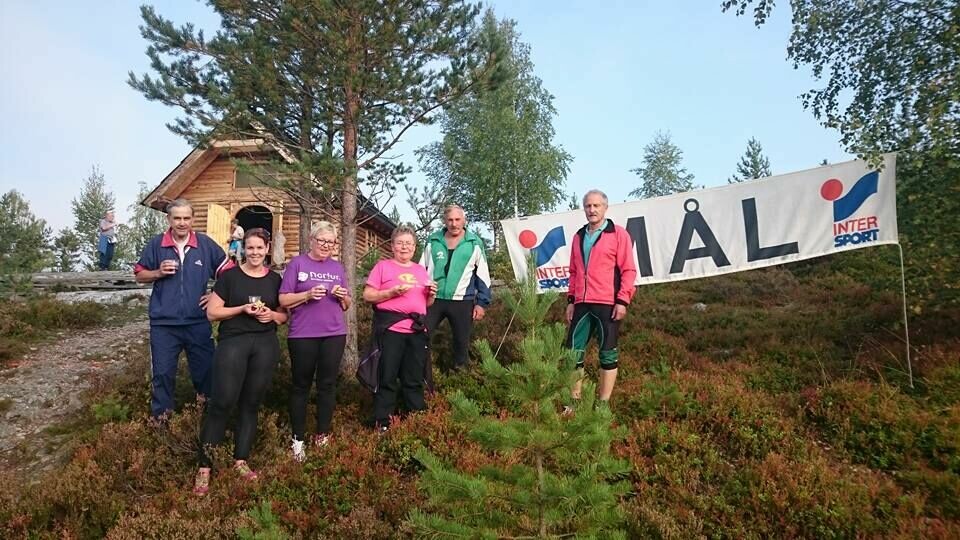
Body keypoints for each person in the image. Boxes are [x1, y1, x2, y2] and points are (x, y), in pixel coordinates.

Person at [194, 227, 287, 495]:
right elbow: (212, 312)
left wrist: (271, 315)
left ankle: (240, 460)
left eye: (260, 248)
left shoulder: (275, 279)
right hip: (233, 343)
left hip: (265, 344)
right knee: (222, 402)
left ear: (268, 249)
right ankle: (204, 468)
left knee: (251, 403)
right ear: (242, 248)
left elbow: (284, 316)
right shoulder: (229, 277)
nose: (255, 252)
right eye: (250, 247)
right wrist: (242, 309)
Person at [134, 199, 229, 419]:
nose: (182, 222)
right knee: (163, 375)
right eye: (177, 218)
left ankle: (206, 422)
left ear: (193, 219)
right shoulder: (157, 244)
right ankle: (162, 424)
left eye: (186, 218)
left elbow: (228, 271)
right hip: (164, 324)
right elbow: (139, 274)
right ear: (169, 219)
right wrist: (157, 272)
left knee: (206, 374)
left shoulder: (205, 244)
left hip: (197, 322)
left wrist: (216, 294)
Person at [279, 221, 351, 461]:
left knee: (327, 386)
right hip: (303, 334)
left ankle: (323, 435)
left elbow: (347, 303)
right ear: (311, 240)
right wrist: (307, 294)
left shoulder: (337, 268)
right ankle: (298, 440)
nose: (326, 246)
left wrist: (342, 297)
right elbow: (284, 300)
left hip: (334, 333)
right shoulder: (297, 264)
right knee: (301, 386)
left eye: (330, 242)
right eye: (322, 241)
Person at [565, 189, 637, 406]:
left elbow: (629, 270)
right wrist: (570, 300)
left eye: (596, 205)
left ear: (605, 207)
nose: (592, 210)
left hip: (608, 304)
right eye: (588, 206)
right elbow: (574, 272)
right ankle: (574, 403)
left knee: (607, 355)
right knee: (572, 355)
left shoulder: (618, 234)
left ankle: (603, 403)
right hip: (581, 304)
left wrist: (623, 300)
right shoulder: (578, 236)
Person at [363, 225, 437, 431]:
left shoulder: (420, 270)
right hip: (391, 330)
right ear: (393, 246)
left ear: (414, 247)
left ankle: (416, 422)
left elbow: (426, 304)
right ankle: (383, 423)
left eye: (409, 243)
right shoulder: (382, 267)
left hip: (416, 331)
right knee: (387, 377)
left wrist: (431, 294)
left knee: (414, 378)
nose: (404, 247)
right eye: (400, 243)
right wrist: (391, 293)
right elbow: (368, 295)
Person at [420, 205, 491, 387]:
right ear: (444, 221)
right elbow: (421, 270)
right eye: (450, 220)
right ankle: (424, 383)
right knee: (420, 338)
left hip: (462, 301)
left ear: (464, 220)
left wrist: (481, 303)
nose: (453, 224)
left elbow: (483, 275)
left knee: (461, 345)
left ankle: (460, 387)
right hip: (433, 299)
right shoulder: (433, 240)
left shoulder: (474, 242)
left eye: (457, 220)